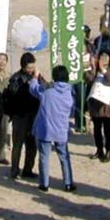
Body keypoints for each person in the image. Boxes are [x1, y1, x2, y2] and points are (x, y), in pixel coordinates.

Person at [30, 64, 76, 193]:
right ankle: (68, 183)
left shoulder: (47, 92)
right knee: (64, 157)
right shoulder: (69, 93)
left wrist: (35, 77)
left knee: (44, 157)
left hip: (45, 129)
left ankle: (44, 184)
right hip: (61, 129)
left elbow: (33, 89)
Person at [5, 52, 42, 179]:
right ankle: (14, 170)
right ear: (23, 66)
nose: (31, 70)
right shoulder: (16, 78)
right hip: (19, 115)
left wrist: (36, 79)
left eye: (33, 67)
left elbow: (44, 89)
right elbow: (13, 94)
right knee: (18, 144)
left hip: (33, 115)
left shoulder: (37, 77)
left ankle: (28, 169)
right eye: (29, 67)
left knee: (32, 144)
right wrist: (28, 84)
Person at [86, 48, 110, 162]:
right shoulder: (96, 69)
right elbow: (88, 79)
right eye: (102, 56)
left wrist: (104, 71)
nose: (104, 59)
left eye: (106, 57)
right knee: (97, 129)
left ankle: (109, 151)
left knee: (108, 129)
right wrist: (92, 68)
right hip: (96, 105)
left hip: (107, 105)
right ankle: (99, 150)